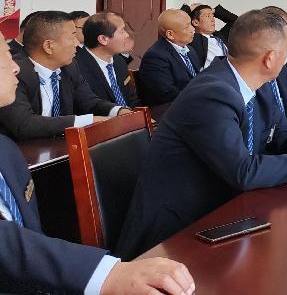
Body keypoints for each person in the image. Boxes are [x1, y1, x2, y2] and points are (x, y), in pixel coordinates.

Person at [115, 9, 287, 259]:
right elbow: (243, 172)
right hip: (174, 237)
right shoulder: (212, 93)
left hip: (223, 211)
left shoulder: (254, 84)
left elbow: (278, 132)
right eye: (286, 47)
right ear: (270, 58)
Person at [0, 38, 195, 294]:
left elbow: (29, 243)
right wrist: (105, 274)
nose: (15, 66)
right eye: (4, 56)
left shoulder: (7, 152)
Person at [0, 11, 130, 140]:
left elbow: (88, 102)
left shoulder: (69, 67)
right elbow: (24, 124)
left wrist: (117, 111)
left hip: (61, 146)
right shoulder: (14, 72)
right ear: (49, 46)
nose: (77, 43)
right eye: (72, 37)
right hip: (21, 148)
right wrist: (87, 121)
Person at [73, 12, 140, 108]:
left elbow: (131, 99)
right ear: (103, 39)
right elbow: (85, 105)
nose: (126, 35)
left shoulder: (119, 61)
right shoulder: (76, 66)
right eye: (122, 31)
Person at [137, 9, 203, 105]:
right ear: (170, 34)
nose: (193, 30)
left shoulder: (190, 50)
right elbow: (168, 93)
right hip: (171, 108)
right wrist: (201, 100)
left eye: (191, 25)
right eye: (187, 27)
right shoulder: (156, 57)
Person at [189, 4, 229, 68]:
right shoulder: (193, 39)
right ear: (196, 22)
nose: (212, 19)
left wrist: (216, 11)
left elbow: (236, 21)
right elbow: (175, 24)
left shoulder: (220, 35)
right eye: (207, 16)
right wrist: (189, 8)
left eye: (213, 16)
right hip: (213, 73)